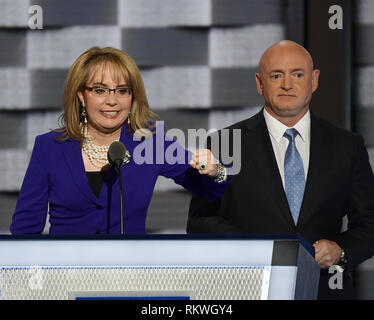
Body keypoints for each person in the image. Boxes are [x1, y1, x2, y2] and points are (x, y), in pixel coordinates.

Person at [187, 40, 374, 299]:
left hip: (324, 290)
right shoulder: (225, 143)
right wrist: (256, 250)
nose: (287, 84)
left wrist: (341, 251)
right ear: (259, 83)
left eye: (298, 74)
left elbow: (369, 223)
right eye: (276, 75)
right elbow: (200, 222)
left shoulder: (347, 146)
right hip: (249, 289)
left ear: (314, 80)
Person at [10, 46, 227, 235]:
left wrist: (215, 170)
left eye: (122, 91)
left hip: (128, 275)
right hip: (65, 276)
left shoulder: (150, 143)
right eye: (100, 90)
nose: (112, 100)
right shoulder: (49, 147)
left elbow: (210, 189)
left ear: (132, 97)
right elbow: (25, 229)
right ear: (81, 96)